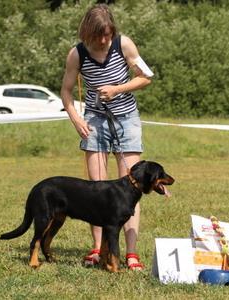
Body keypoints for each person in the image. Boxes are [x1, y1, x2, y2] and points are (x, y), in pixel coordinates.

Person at [61, 3, 153, 270]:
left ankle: (132, 254)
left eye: (108, 34)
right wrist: (77, 118)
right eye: (98, 35)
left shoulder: (124, 44)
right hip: (94, 122)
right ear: (87, 32)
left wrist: (118, 89)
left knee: (133, 186)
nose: (103, 40)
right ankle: (98, 250)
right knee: (96, 187)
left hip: (127, 119)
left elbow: (146, 77)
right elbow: (66, 91)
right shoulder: (76, 54)